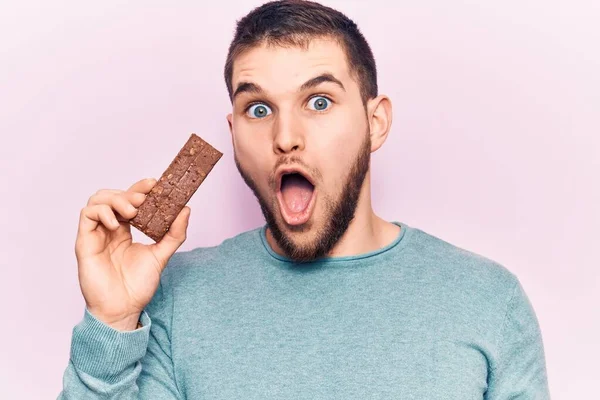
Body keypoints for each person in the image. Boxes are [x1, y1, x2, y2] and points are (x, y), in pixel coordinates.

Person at [59, 1, 550, 398]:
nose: (285, 136)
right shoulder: (174, 296)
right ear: (233, 134)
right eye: (258, 108)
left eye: (319, 102)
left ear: (374, 122)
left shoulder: (488, 300)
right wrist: (112, 320)